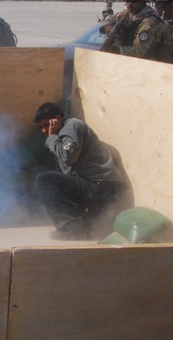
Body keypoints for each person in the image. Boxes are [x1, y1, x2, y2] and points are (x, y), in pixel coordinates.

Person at [32, 102, 123, 240]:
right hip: (96, 189)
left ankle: (72, 228)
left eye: (46, 125)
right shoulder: (64, 132)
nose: (44, 130)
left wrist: (52, 137)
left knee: (44, 179)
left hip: (100, 189)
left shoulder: (72, 126)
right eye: (41, 127)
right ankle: (82, 227)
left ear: (57, 119)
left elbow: (68, 156)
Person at [99, 0, 165, 60]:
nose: (129, 4)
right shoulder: (129, 13)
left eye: (134, 1)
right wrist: (108, 27)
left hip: (144, 63)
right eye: (127, 1)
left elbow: (139, 51)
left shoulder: (149, 23)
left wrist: (115, 50)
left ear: (143, 1)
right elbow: (110, 19)